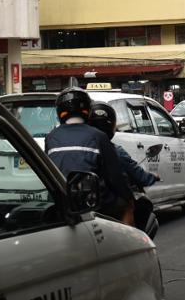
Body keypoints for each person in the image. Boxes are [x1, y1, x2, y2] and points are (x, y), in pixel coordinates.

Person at [45, 88, 135, 226]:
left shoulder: (51, 137)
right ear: (87, 110)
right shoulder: (98, 136)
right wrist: (129, 196)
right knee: (127, 205)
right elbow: (115, 175)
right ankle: (129, 244)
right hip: (93, 201)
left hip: (61, 200)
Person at [87, 102, 161, 189]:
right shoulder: (115, 151)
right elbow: (137, 174)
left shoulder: (79, 148)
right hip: (106, 199)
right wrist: (152, 177)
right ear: (112, 125)